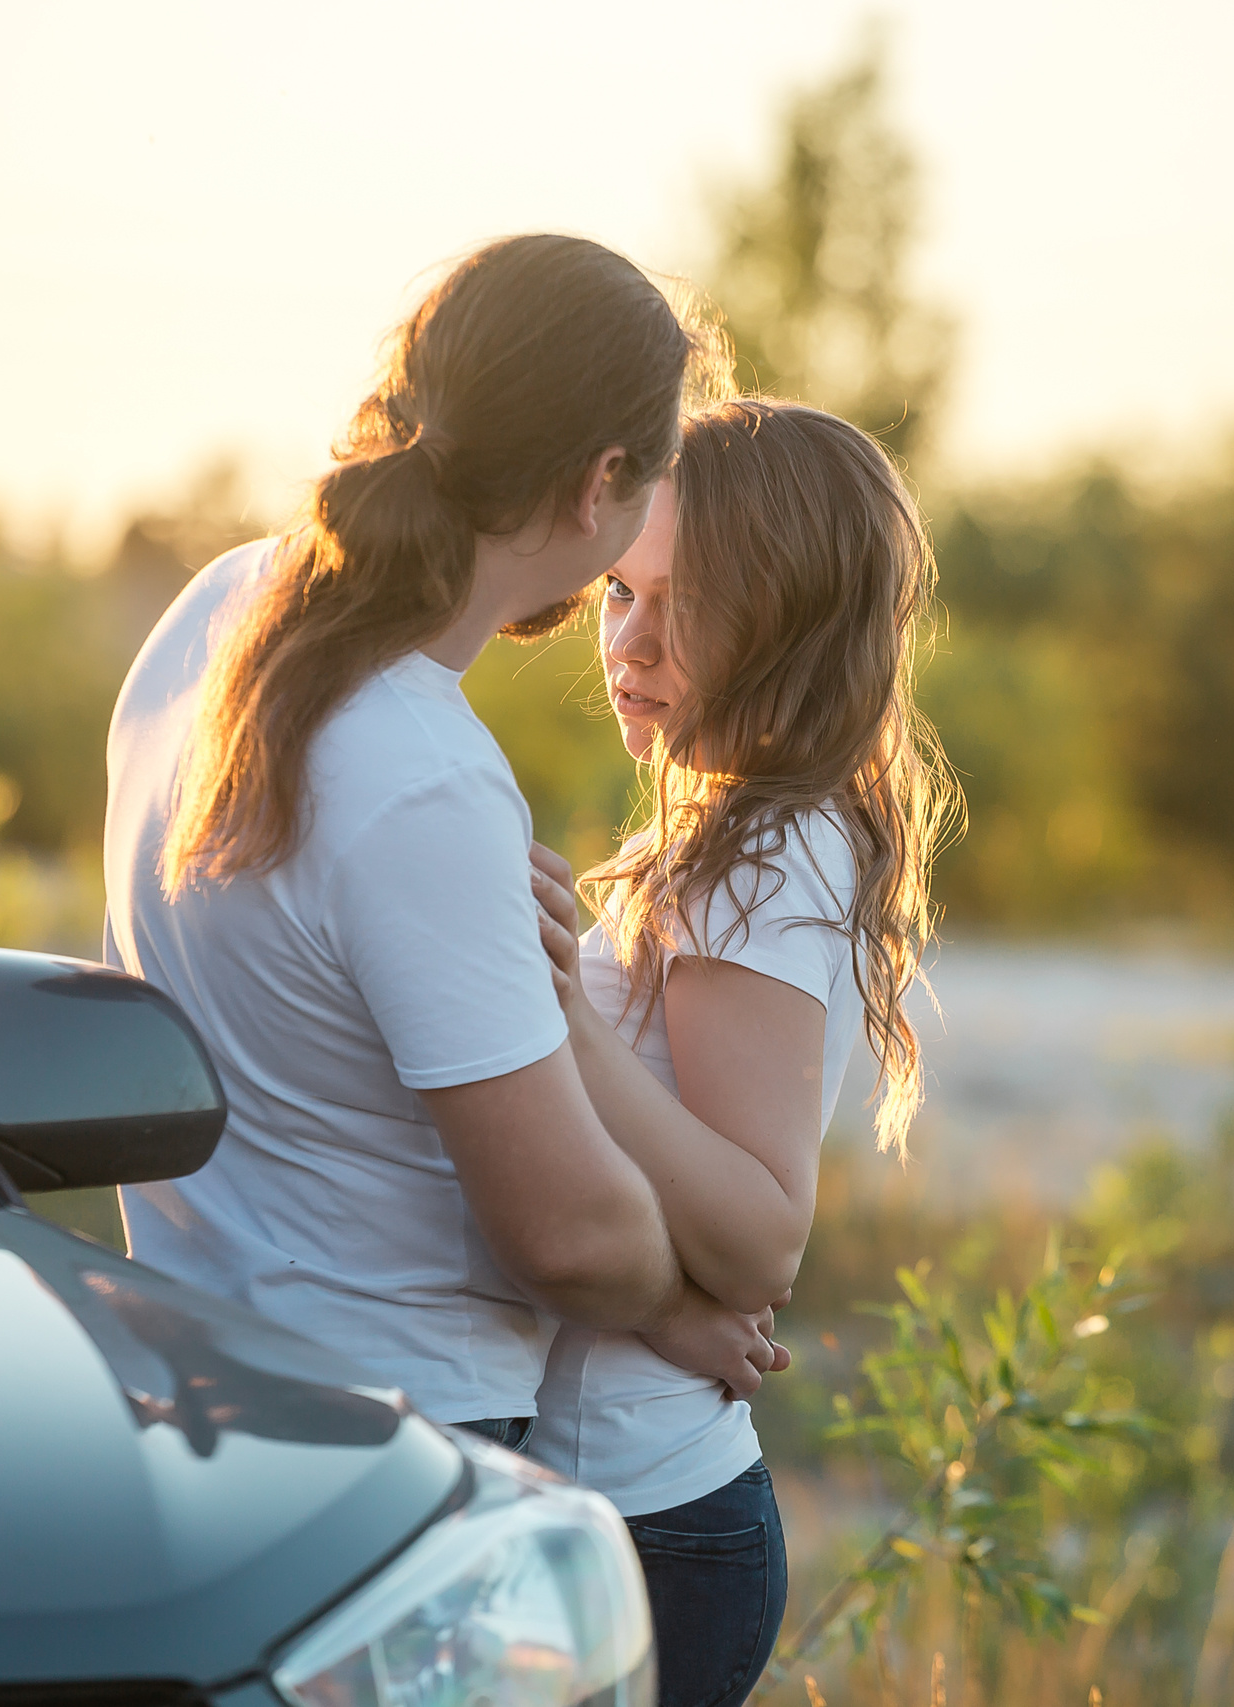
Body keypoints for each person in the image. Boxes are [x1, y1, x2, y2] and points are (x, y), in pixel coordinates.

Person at [102, 235, 778, 1446]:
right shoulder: (422, 776)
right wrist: (673, 1305)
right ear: (600, 483)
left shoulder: (216, 610)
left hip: (192, 1383)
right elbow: (569, 1233)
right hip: (394, 1433)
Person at [524, 397, 957, 1707]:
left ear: (790, 619)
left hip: (646, 1518)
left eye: (683, 603)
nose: (631, 644)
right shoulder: (732, 832)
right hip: (634, 1493)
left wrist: (552, 1016)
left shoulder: (760, 852)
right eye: (617, 591)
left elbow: (764, 1231)